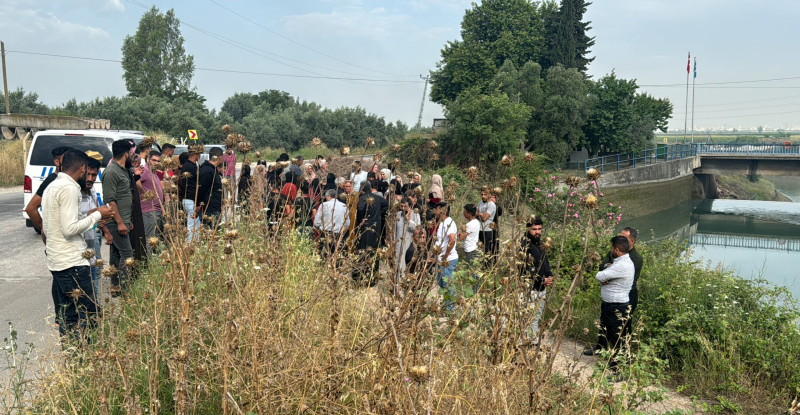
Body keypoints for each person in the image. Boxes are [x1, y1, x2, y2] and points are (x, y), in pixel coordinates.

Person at [42, 149, 113, 341]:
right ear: (82, 168)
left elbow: (53, 226)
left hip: (57, 261)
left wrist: (89, 217)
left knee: (68, 316)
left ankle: (73, 356)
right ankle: (88, 355)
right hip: (72, 263)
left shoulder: (53, 186)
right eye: (86, 171)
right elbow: (69, 228)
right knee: (90, 314)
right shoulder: (70, 188)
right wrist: (98, 215)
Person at [584, 236, 634, 375]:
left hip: (616, 306)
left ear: (617, 250)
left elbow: (599, 276)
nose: (610, 250)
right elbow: (606, 272)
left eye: (611, 248)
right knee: (605, 330)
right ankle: (605, 354)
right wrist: (607, 271)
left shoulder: (622, 265)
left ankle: (618, 369)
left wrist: (605, 274)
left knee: (616, 337)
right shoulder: (620, 262)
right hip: (611, 304)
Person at [102, 140, 135, 296]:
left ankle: (115, 287)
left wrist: (128, 221)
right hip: (116, 222)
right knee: (127, 254)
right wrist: (120, 222)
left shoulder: (122, 170)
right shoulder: (111, 172)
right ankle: (124, 287)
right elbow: (110, 199)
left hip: (123, 220)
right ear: (126, 154)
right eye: (131, 153)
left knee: (116, 255)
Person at [601, 227, 643, 339]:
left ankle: (623, 351)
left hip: (628, 293)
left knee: (624, 323)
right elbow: (603, 265)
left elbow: (627, 278)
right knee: (604, 320)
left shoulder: (636, 258)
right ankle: (600, 347)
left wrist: (608, 275)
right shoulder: (615, 250)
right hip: (611, 292)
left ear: (632, 241)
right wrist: (607, 268)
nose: (620, 238)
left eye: (624, 237)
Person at [79, 153, 112, 299]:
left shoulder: (91, 191)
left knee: (97, 275)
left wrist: (104, 229)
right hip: (80, 250)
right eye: (88, 175)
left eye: (94, 175)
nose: (90, 179)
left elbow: (96, 212)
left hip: (93, 243)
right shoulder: (75, 194)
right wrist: (93, 216)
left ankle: (96, 307)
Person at [25, 145, 73, 240]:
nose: (72, 163)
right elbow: (31, 208)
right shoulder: (52, 180)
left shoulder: (69, 179)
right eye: (67, 160)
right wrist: (45, 230)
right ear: (56, 162)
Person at [518, 217, 554, 345]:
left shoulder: (540, 244)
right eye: (534, 229)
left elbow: (545, 263)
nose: (537, 232)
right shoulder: (524, 245)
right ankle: (521, 346)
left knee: (535, 319)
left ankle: (532, 344)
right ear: (528, 229)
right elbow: (525, 268)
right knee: (524, 319)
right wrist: (541, 279)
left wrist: (549, 276)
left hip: (541, 289)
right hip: (529, 289)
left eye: (539, 229)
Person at [353, 181, 388, 285]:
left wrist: (361, 219)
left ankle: (360, 277)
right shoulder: (377, 197)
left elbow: (359, 209)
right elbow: (387, 205)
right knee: (374, 251)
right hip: (376, 228)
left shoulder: (363, 198)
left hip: (365, 228)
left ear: (362, 189)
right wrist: (378, 215)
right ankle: (373, 278)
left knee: (362, 251)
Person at [431, 201, 458, 312]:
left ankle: (449, 309)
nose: (435, 212)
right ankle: (446, 306)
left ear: (441, 210)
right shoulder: (442, 222)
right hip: (441, 258)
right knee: (441, 283)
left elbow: (452, 239)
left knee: (447, 284)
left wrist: (446, 255)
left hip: (448, 259)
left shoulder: (448, 223)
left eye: (437, 209)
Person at [139, 150, 164, 254]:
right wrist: (145, 194)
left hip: (156, 209)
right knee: (149, 239)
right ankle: (148, 264)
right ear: (148, 159)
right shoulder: (145, 170)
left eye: (158, 161)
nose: (156, 163)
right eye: (154, 160)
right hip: (149, 209)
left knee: (154, 239)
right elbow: (137, 182)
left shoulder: (154, 172)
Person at [314, 189, 350, 258]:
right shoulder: (344, 206)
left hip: (326, 234)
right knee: (337, 257)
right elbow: (348, 223)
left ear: (328, 196)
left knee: (324, 257)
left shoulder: (324, 205)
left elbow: (316, 222)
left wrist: (319, 229)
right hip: (339, 235)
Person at [394, 196, 420, 281]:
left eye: (405, 206)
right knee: (397, 266)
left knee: (406, 266)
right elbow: (395, 230)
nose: (403, 208)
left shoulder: (415, 215)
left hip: (409, 246)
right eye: (401, 206)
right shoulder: (398, 214)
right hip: (398, 245)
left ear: (410, 206)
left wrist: (408, 219)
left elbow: (417, 230)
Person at [180, 146, 203, 241]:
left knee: (193, 226)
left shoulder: (186, 165)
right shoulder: (192, 167)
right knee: (193, 227)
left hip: (187, 199)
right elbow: (194, 187)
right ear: (196, 155)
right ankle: (190, 246)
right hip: (191, 200)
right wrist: (198, 204)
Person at [198, 147, 225, 226]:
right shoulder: (208, 170)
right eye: (223, 156)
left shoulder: (213, 170)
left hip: (214, 207)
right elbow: (202, 189)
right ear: (219, 157)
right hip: (209, 209)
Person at [477, 188, 497, 260]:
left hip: (487, 230)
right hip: (479, 229)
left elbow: (484, 218)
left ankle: (486, 267)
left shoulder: (491, 205)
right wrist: (480, 214)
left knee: (486, 251)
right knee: (479, 249)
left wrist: (479, 215)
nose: (483, 196)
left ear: (490, 195)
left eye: (485, 194)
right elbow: (476, 213)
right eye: (482, 194)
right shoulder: (480, 203)